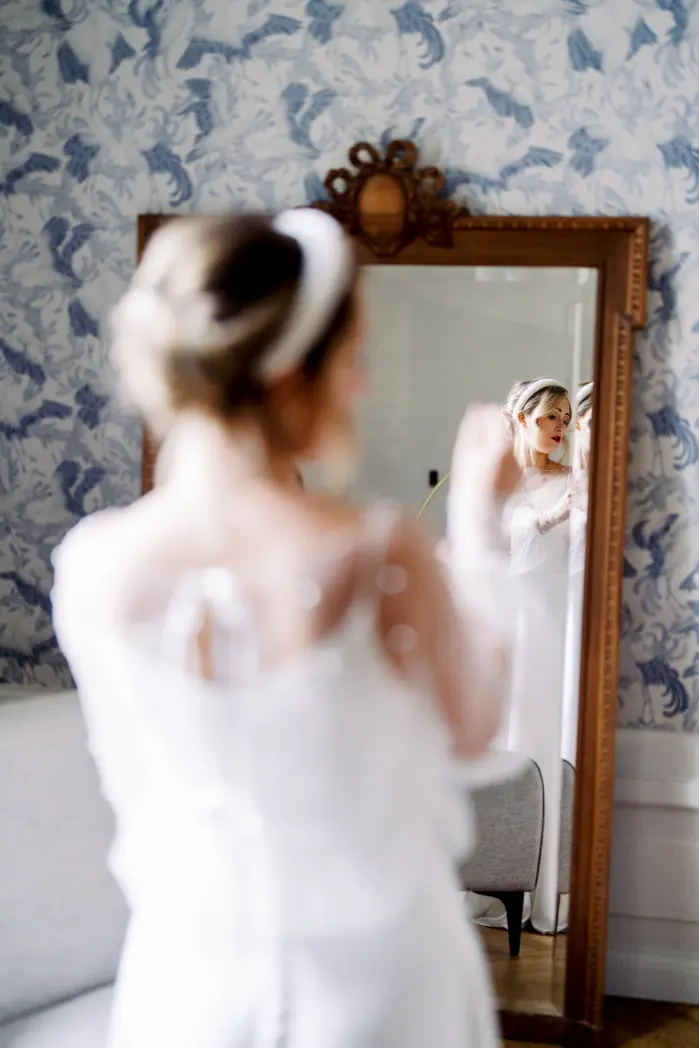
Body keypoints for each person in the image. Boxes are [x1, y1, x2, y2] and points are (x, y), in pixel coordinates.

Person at [51, 209, 521, 1048]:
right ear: (288, 373)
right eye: (352, 360)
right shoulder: (376, 551)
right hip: (377, 981)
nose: (361, 388)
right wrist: (481, 534)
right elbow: (472, 728)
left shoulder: (93, 565)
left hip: (183, 983)